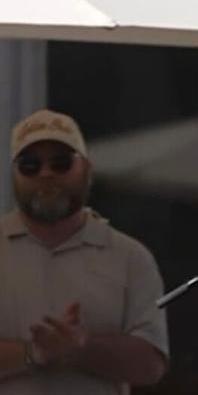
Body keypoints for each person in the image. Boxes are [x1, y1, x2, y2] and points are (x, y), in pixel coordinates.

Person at [0, 109, 169, 394]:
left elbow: (151, 365)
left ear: (87, 170)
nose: (46, 174)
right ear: (14, 174)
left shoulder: (131, 257)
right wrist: (34, 353)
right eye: (30, 165)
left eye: (61, 163)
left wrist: (82, 349)